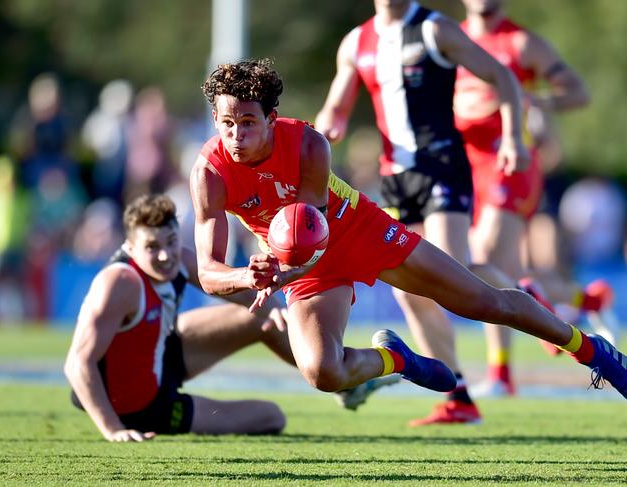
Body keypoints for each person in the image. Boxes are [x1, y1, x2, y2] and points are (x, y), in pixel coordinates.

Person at [190, 59, 627, 426]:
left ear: (271, 118)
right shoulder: (208, 173)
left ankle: (593, 351)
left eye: (248, 122)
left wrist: (280, 271)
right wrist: (245, 274)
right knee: (323, 373)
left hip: (357, 230)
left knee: (484, 303)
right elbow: (209, 271)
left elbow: (312, 233)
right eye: (227, 124)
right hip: (300, 261)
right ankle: (397, 360)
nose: (236, 136)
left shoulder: (308, 143)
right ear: (215, 121)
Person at [315, 0, 530, 424]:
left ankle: (528, 302)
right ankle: (459, 396)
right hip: (396, 177)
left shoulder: (435, 30)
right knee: (409, 290)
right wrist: (325, 129)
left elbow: (502, 76)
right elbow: (335, 107)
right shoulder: (357, 42)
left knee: (453, 269)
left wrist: (513, 139)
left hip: (442, 166)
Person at [454, 0, 617, 397]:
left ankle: (502, 375)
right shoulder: (450, 38)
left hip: (512, 160)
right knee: (483, 268)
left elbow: (578, 92)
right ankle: (571, 299)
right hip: (464, 165)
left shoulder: (523, 42)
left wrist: (535, 102)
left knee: (486, 254)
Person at [64, 193, 295, 442]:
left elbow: (234, 290)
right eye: (152, 247)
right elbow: (77, 364)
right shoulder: (120, 283)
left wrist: (272, 307)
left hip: (161, 354)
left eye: (171, 242)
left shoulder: (181, 259)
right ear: (130, 248)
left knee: (264, 313)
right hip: (141, 403)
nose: (165, 256)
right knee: (272, 417)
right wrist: (113, 429)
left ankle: (330, 375)